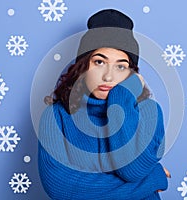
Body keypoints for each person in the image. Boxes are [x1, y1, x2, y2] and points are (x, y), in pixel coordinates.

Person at [38, 9, 170, 200]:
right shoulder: (56, 116)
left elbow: (131, 170)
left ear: (131, 74)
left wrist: (121, 98)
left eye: (121, 66)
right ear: (83, 66)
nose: (108, 76)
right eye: (99, 62)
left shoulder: (150, 112)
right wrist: (153, 177)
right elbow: (61, 187)